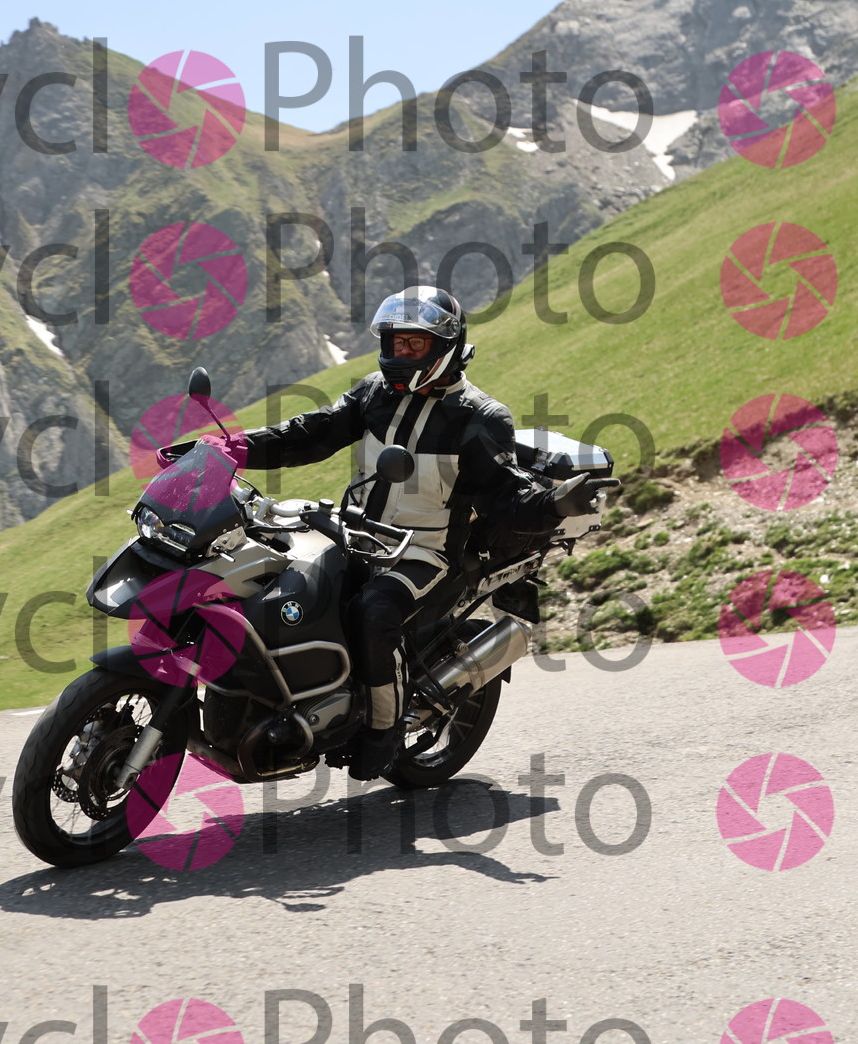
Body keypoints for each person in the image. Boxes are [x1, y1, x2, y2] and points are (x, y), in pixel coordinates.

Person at [229, 285, 609, 780]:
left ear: (445, 346)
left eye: (415, 344)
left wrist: (556, 503)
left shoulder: (479, 418)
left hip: (425, 554)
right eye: (396, 343)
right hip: (356, 535)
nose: (402, 353)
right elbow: (312, 433)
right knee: (286, 590)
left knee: (373, 613)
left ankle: (382, 730)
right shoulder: (374, 393)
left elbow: (506, 496)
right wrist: (231, 447)